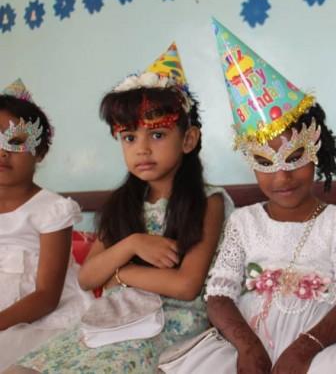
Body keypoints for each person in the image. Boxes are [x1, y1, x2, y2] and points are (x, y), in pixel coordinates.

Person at [158, 20, 336, 374]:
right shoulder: (243, 221)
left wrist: (304, 350)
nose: (282, 176)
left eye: (295, 157)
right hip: (248, 333)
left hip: (322, 341)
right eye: (265, 162)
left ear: (317, 153)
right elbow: (219, 294)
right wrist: (247, 346)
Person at [15, 44, 233, 373]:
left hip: (171, 323)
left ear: (188, 139)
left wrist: (119, 274)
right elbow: (88, 277)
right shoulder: (122, 203)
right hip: (115, 316)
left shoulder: (207, 201)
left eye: (157, 135)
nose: (141, 149)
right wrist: (132, 244)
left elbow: (186, 286)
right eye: (129, 138)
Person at [0, 79, 92, 370]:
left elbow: (46, 296)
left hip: (33, 315)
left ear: (39, 153)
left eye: (16, 142)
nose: (3, 152)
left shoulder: (52, 210)